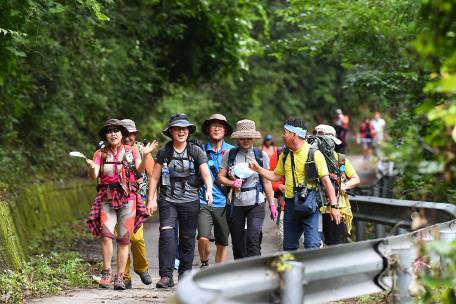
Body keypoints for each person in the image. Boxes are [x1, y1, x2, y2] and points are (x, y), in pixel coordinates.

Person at [247, 117, 341, 250]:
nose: (282, 135)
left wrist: (334, 206)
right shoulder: (285, 154)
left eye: (285, 132)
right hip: (290, 206)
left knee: (312, 245)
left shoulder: (314, 154)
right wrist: (258, 169)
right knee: (289, 247)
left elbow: (326, 181)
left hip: (309, 205)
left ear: (294, 135)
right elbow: (275, 176)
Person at [146, 113, 213, 288]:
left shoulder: (195, 151)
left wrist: (209, 192)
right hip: (168, 199)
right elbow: (154, 178)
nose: (181, 131)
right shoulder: (164, 151)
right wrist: (151, 199)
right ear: (171, 131)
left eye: (184, 128)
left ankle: (184, 274)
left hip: (190, 200)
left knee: (187, 237)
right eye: (177, 128)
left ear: (188, 131)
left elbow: (206, 174)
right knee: (167, 234)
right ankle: (166, 275)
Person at [86, 119, 153, 290]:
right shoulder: (100, 154)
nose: (113, 134)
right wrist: (92, 168)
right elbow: (94, 176)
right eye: (109, 131)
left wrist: (145, 155)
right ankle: (107, 271)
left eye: (117, 130)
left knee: (124, 240)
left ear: (123, 134)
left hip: (128, 198)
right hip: (106, 198)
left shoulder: (131, 152)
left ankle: (120, 277)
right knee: (106, 234)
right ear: (105, 135)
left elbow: (139, 169)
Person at [217, 120, 276, 260]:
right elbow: (220, 177)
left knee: (252, 240)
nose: (245, 141)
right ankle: (241, 274)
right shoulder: (229, 155)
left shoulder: (261, 155)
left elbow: (267, 181)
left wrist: (272, 204)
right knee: (238, 244)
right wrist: (232, 183)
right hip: (235, 204)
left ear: (254, 138)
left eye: (249, 138)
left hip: (256, 203)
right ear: (237, 138)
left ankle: (255, 273)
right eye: (242, 138)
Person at [114, 119, 157, 288]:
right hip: (116, 200)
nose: (128, 138)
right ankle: (124, 277)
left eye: (131, 134)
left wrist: (153, 199)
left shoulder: (141, 149)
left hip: (138, 198)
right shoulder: (111, 150)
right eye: (125, 134)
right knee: (122, 239)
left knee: (136, 237)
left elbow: (153, 175)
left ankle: (141, 268)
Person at [197, 114, 234, 268]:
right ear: (208, 129)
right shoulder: (199, 151)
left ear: (225, 130)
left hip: (225, 203)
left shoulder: (232, 151)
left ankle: (218, 274)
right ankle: (205, 263)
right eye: (213, 125)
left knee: (222, 243)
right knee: (203, 238)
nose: (217, 128)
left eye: (220, 126)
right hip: (203, 201)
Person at [314, 125, 360, 245]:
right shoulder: (311, 157)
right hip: (313, 207)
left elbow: (355, 179)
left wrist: (342, 186)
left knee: (331, 243)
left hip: (334, 208)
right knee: (313, 243)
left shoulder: (340, 159)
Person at [269, 147, 305, 251]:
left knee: (303, 240)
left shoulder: (310, 152)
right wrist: (278, 186)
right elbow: (272, 176)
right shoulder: (280, 153)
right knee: (283, 239)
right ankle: (284, 264)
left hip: (305, 205)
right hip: (285, 205)